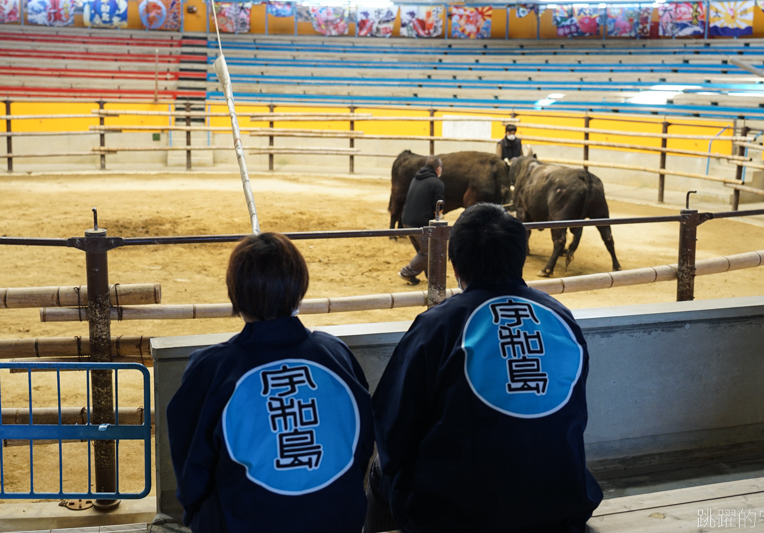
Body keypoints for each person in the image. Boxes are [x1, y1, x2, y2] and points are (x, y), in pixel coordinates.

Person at [370, 203, 602, 533]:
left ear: (455, 265)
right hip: (563, 503)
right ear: (520, 256)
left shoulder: (439, 325)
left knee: (382, 467)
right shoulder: (559, 316)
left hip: (460, 517)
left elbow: (393, 430)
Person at [167, 232, 374, 533]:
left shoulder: (212, 369)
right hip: (340, 519)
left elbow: (191, 476)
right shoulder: (335, 354)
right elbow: (361, 443)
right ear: (299, 287)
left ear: (234, 293)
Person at [398, 155, 444, 286]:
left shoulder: (416, 178)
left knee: (424, 251)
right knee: (429, 252)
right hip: (420, 223)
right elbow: (438, 208)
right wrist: (440, 216)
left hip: (406, 220)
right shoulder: (437, 183)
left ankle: (431, 276)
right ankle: (407, 272)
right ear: (438, 169)